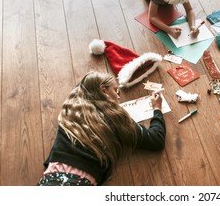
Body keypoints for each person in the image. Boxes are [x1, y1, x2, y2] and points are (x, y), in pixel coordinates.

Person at [37, 71, 166, 186]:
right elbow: (156, 139)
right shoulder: (115, 117)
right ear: (103, 90)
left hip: (48, 180)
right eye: (116, 91)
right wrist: (157, 109)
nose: (119, 97)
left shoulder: (69, 113)